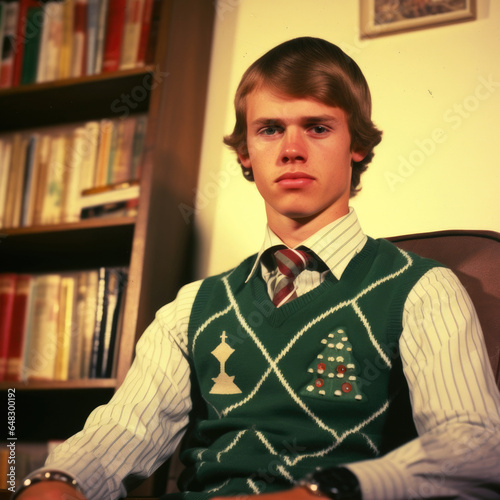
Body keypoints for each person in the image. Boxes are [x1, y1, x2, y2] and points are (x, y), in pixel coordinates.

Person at [15, 37, 500, 500]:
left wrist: (328, 491)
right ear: (246, 152)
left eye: (317, 127)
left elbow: (475, 446)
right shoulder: (190, 309)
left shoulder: (421, 289)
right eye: (270, 129)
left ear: (357, 144)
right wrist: (59, 480)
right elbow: (124, 430)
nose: (291, 149)